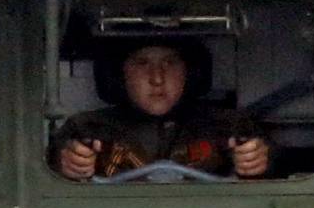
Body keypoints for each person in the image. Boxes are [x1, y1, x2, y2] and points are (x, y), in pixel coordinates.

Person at [52, 37, 270, 182]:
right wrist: (69, 164)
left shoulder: (230, 126)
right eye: (142, 63)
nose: (157, 78)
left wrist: (257, 158)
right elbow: (45, 170)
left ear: (189, 72)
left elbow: (282, 169)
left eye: (170, 63)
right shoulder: (86, 129)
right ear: (120, 74)